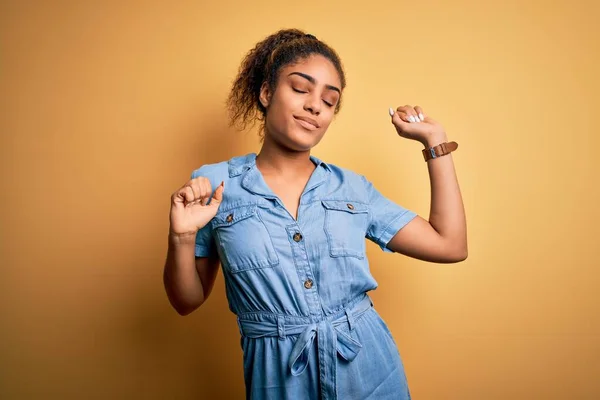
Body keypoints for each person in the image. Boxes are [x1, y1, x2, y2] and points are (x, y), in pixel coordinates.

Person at [163, 28, 467, 400]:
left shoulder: (352, 188)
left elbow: (450, 245)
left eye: (329, 99)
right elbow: (186, 302)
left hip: (369, 372)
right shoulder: (214, 184)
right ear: (266, 92)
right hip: (278, 380)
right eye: (300, 88)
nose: (314, 105)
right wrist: (181, 238)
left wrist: (435, 142)